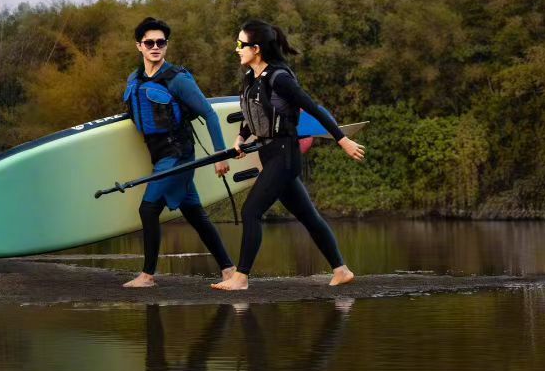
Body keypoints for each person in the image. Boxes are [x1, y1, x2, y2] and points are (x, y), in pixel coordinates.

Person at [212, 20, 366, 292]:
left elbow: (314, 109)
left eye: (240, 44)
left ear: (256, 49)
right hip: (269, 155)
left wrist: (342, 141)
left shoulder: (279, 78)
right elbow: (252, 115)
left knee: (251, 211)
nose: (236, 49)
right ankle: (341, 270)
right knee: (308, 216)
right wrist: (239, 139)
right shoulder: (251, 78)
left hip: (285, 154)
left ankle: (241, 277)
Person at [121, 17, 236, 289]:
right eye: (149, 42)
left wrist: (220, 157)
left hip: (178, 154)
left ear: (166, 46)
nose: (155, 47)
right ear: (139, 46)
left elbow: (209, 114)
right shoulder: (134, 79)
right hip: (158, 155)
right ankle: (229, 270)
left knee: (148, 209)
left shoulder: (177, 79)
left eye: (161, 42)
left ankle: (148, 275)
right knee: (194, 212)